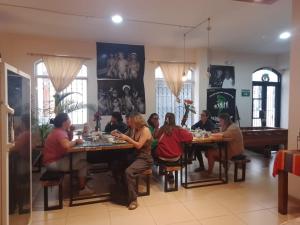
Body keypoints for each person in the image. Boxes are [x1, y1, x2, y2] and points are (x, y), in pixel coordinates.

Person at [43, 113, 92, 195]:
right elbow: (66, 145)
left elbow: (68, 140)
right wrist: (76, 141)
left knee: (83, 160)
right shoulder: (59, 132)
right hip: (53, 163)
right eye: (69, 119)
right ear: (64, 122)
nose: (70, 121)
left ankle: (80, 183)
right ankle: (82, 188)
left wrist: (71, 131)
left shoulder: (59, 131)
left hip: (53, 160)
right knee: (83, 159)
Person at [111, 112, 153, 210]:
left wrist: (127, 138)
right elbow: (126, 137)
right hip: (136, 156)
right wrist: (117, 134)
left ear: (137, 121)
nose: (130, 123)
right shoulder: (135, 129)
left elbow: (138, 145)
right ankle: (124, 190)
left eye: (132, 122)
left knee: (128, 171)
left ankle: (133, 200)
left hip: (145, 158)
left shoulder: (145, 130)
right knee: (116, 165)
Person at [156, 113, 193, 179]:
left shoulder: (162, 128)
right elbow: (189, 138)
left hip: (162, 158)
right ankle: (170, 174)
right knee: (177, 150)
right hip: (175, 158)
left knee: (158, 151)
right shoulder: (178, 129)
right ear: (174, 119)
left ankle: (163, 171)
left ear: (165, 119)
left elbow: (156, 138)